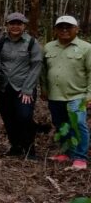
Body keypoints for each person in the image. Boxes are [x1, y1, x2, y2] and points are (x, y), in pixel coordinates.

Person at [41, 15, 91, 170]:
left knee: (78, 124)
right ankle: (65, 152)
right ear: (55, 30)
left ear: (76, 29)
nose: (64, 30)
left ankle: (80, 157)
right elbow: (43, 71)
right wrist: (44, 89)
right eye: (60, 27)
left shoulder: (86, 48)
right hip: (55, 95)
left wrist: (89, 95)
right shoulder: (48, 47)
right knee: (61, 125)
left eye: (68, 27)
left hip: (78, 95)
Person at [0, 12, 42, 159]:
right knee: (8, 118)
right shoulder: (1, 41)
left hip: (24, 88)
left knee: (24, 117)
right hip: (4, 87)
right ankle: (15, 146)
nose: (15, 26)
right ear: (7, 25)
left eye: (19, 23)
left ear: (24, 26)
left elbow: (36, 66)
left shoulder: (31, 42)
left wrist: (28, 89)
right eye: (12, 23)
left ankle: (29, 149)